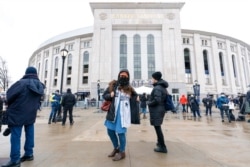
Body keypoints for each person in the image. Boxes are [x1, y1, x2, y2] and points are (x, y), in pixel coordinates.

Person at [2, 67, 44, 167]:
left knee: (16, 135)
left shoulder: (20, 84)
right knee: (30, 132)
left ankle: (15, 160)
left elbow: (9, 96)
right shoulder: (40, 86)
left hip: (17, 112)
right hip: (31, 113)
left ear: (26, 73)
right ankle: (29, 154)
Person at [103, 69, 140, 161]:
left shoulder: (130, 88)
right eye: (121, 75)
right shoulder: (113, 85)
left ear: (128, 78)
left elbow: (135, 98)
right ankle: (116, 147)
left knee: (121, 133)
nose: (122, 77)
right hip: (113, 112)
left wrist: (137, 99)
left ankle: (122, 151)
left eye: (125, 76)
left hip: (123, 114)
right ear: (118, 76)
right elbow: (105, 95)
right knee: (110, 131)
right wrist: (110, 95)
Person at [147, 71, 168, 153]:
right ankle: (160, 143)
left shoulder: (157, 88)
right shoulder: (161, 87)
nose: (151, 80)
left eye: (152, 78)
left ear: (155, 79)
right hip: (160, 109)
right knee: (157, 127)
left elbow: (157, 100)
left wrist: (149, 103)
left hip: (157, 110)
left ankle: (162, 147)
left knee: (158, 128)